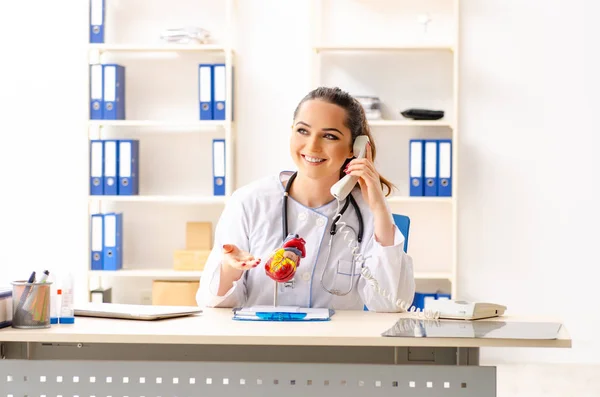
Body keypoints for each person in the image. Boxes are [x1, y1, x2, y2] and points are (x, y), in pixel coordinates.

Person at [196, 86, 415, 312]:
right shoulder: (249, 201)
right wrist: (231, 269)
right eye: (303, 131)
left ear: (355, 148)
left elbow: (390, 304)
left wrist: (379, 208)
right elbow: (213, 305)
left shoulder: (367, 211)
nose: (312, 146)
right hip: (263, 342)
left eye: (330, 136)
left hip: (338, 344)